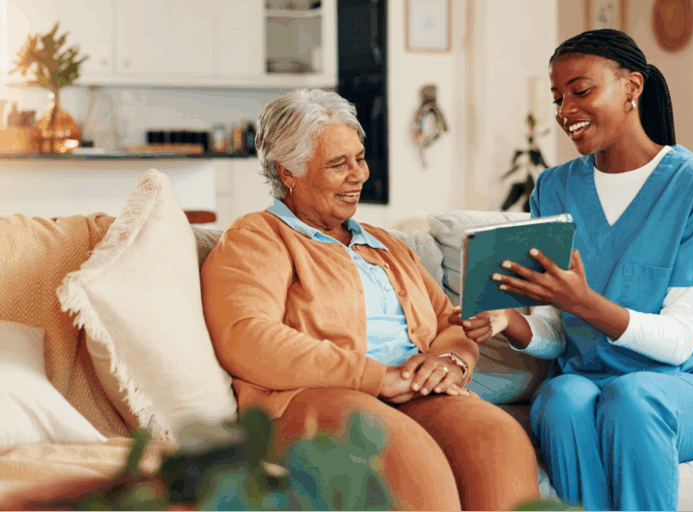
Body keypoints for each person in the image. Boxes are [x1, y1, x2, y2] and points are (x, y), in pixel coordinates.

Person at [201, 89, 539, 511]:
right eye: (337, 164)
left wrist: (449, 362)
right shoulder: (258, 237)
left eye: (359, 158)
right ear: (288, 172)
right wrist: (377, 377)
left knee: (496, 437)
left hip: (413, 389)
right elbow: (245, 336)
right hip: (312, 396)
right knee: (409, 459)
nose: (358, 175)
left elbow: (448, 319)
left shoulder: (383, 243)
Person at [452, 29, 693, 511]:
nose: (566, 110)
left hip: (681, 391)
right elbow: (559, 329)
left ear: (631, 87)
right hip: (587, 383)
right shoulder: (554, 188)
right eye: (558, 97)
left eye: (581, 91)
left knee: (631, 399)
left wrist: (581, 301)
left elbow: (680, 340)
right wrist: (513, 323)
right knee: (561, 397)